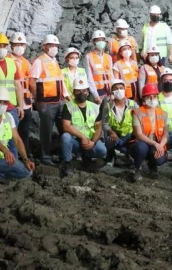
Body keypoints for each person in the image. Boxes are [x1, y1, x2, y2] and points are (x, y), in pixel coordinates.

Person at [29, 34, 69, 166]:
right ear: (44, 46)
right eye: (51, 45)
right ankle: (45, 157)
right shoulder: (39, 61)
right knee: (46, 131)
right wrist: (37, 99)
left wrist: (65, 95)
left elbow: (59, 81)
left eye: (56, 46)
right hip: (46, 103)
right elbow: (32, 81)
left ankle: (65, 155)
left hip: (59, 102)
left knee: (64, 128)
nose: (54, 48)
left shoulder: (54, 61)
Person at [61, 78, 107, 176]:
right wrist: (83, 137)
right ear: (74, 92)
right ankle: (68, 163)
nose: (81, 93)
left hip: (89, 141)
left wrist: (93, 142)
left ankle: (86, 157)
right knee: (65, 137)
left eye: (84, 90)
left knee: (102, 150)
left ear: (88, 92)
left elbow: (98, 127)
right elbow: (66, 126)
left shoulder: (94, 107)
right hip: (75, 141)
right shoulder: (68, 106)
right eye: (78, 91)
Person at [130, 83, 169, 181]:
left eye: (154, 96)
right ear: (144, 99)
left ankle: (152, 165)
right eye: (149, 97)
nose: (152, 99)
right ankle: (137, 169)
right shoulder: (137, 112)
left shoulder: (163, 114)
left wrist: (161, 146)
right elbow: (138, 135)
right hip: (142, 142)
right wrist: (155, 144)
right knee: (140, 147)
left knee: (160, 159)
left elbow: (166, 134)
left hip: (156, 144)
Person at [0, 33, 24, 125]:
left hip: (11, 108)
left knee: (12, 137)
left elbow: (18, 86)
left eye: (4, 46)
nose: (2, 48)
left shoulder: (12, 63)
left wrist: (20, 106)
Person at [102, 79, 139, 167]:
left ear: (125, 89)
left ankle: (129, 155)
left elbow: (140, 121)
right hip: (114, 135)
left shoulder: (133, 104)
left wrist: (136, 134)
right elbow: (104, 124)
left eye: (121, 88)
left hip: (129, 135)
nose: (119, 90)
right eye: (116, 88)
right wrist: (111, 132)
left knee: (134, 146)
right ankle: (110, 156)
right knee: (108, 138)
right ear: (112, 92)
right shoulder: (108, 106)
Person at [9, 32, 33, 158]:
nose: (20, 46)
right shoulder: (6, 60)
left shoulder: (26, 62)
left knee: (24, 132)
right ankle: (13, 157)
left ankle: (26, 155)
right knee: (12, 132)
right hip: (12, 104)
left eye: (22, 44)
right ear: (11, 45)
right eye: (17, 44)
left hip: (26, 104)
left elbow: (29, 83)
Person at [84, 30, 113, 103]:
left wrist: (113, 92)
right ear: (94, 42)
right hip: (96, 93)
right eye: (98, 40)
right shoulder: (89, 57)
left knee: (106, 113)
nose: (101, 42)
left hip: (108, 93)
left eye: (102, 40)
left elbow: (111, 76)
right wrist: (95, 95)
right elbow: (89, 77)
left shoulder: (108, 57)